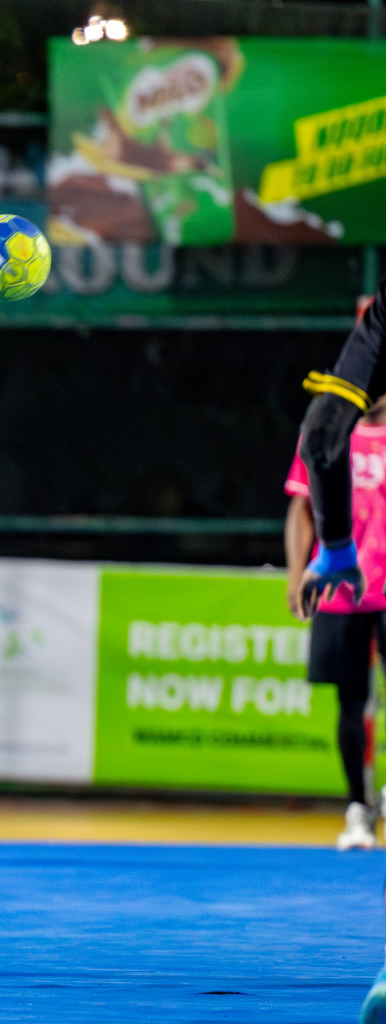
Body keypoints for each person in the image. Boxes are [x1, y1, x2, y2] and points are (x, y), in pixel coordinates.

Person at [288, 287, 386, 1023]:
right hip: (355, 587)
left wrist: (338, 544)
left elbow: (324, 429)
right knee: (351, 701)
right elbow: (324, 435)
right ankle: (360, 805)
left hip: (352, 564)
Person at [284, 397, 386, 850]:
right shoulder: (327, 426)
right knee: (351, 701)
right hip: (341, 587)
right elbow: (301, 508)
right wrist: (293, 574)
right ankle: (358, 808)